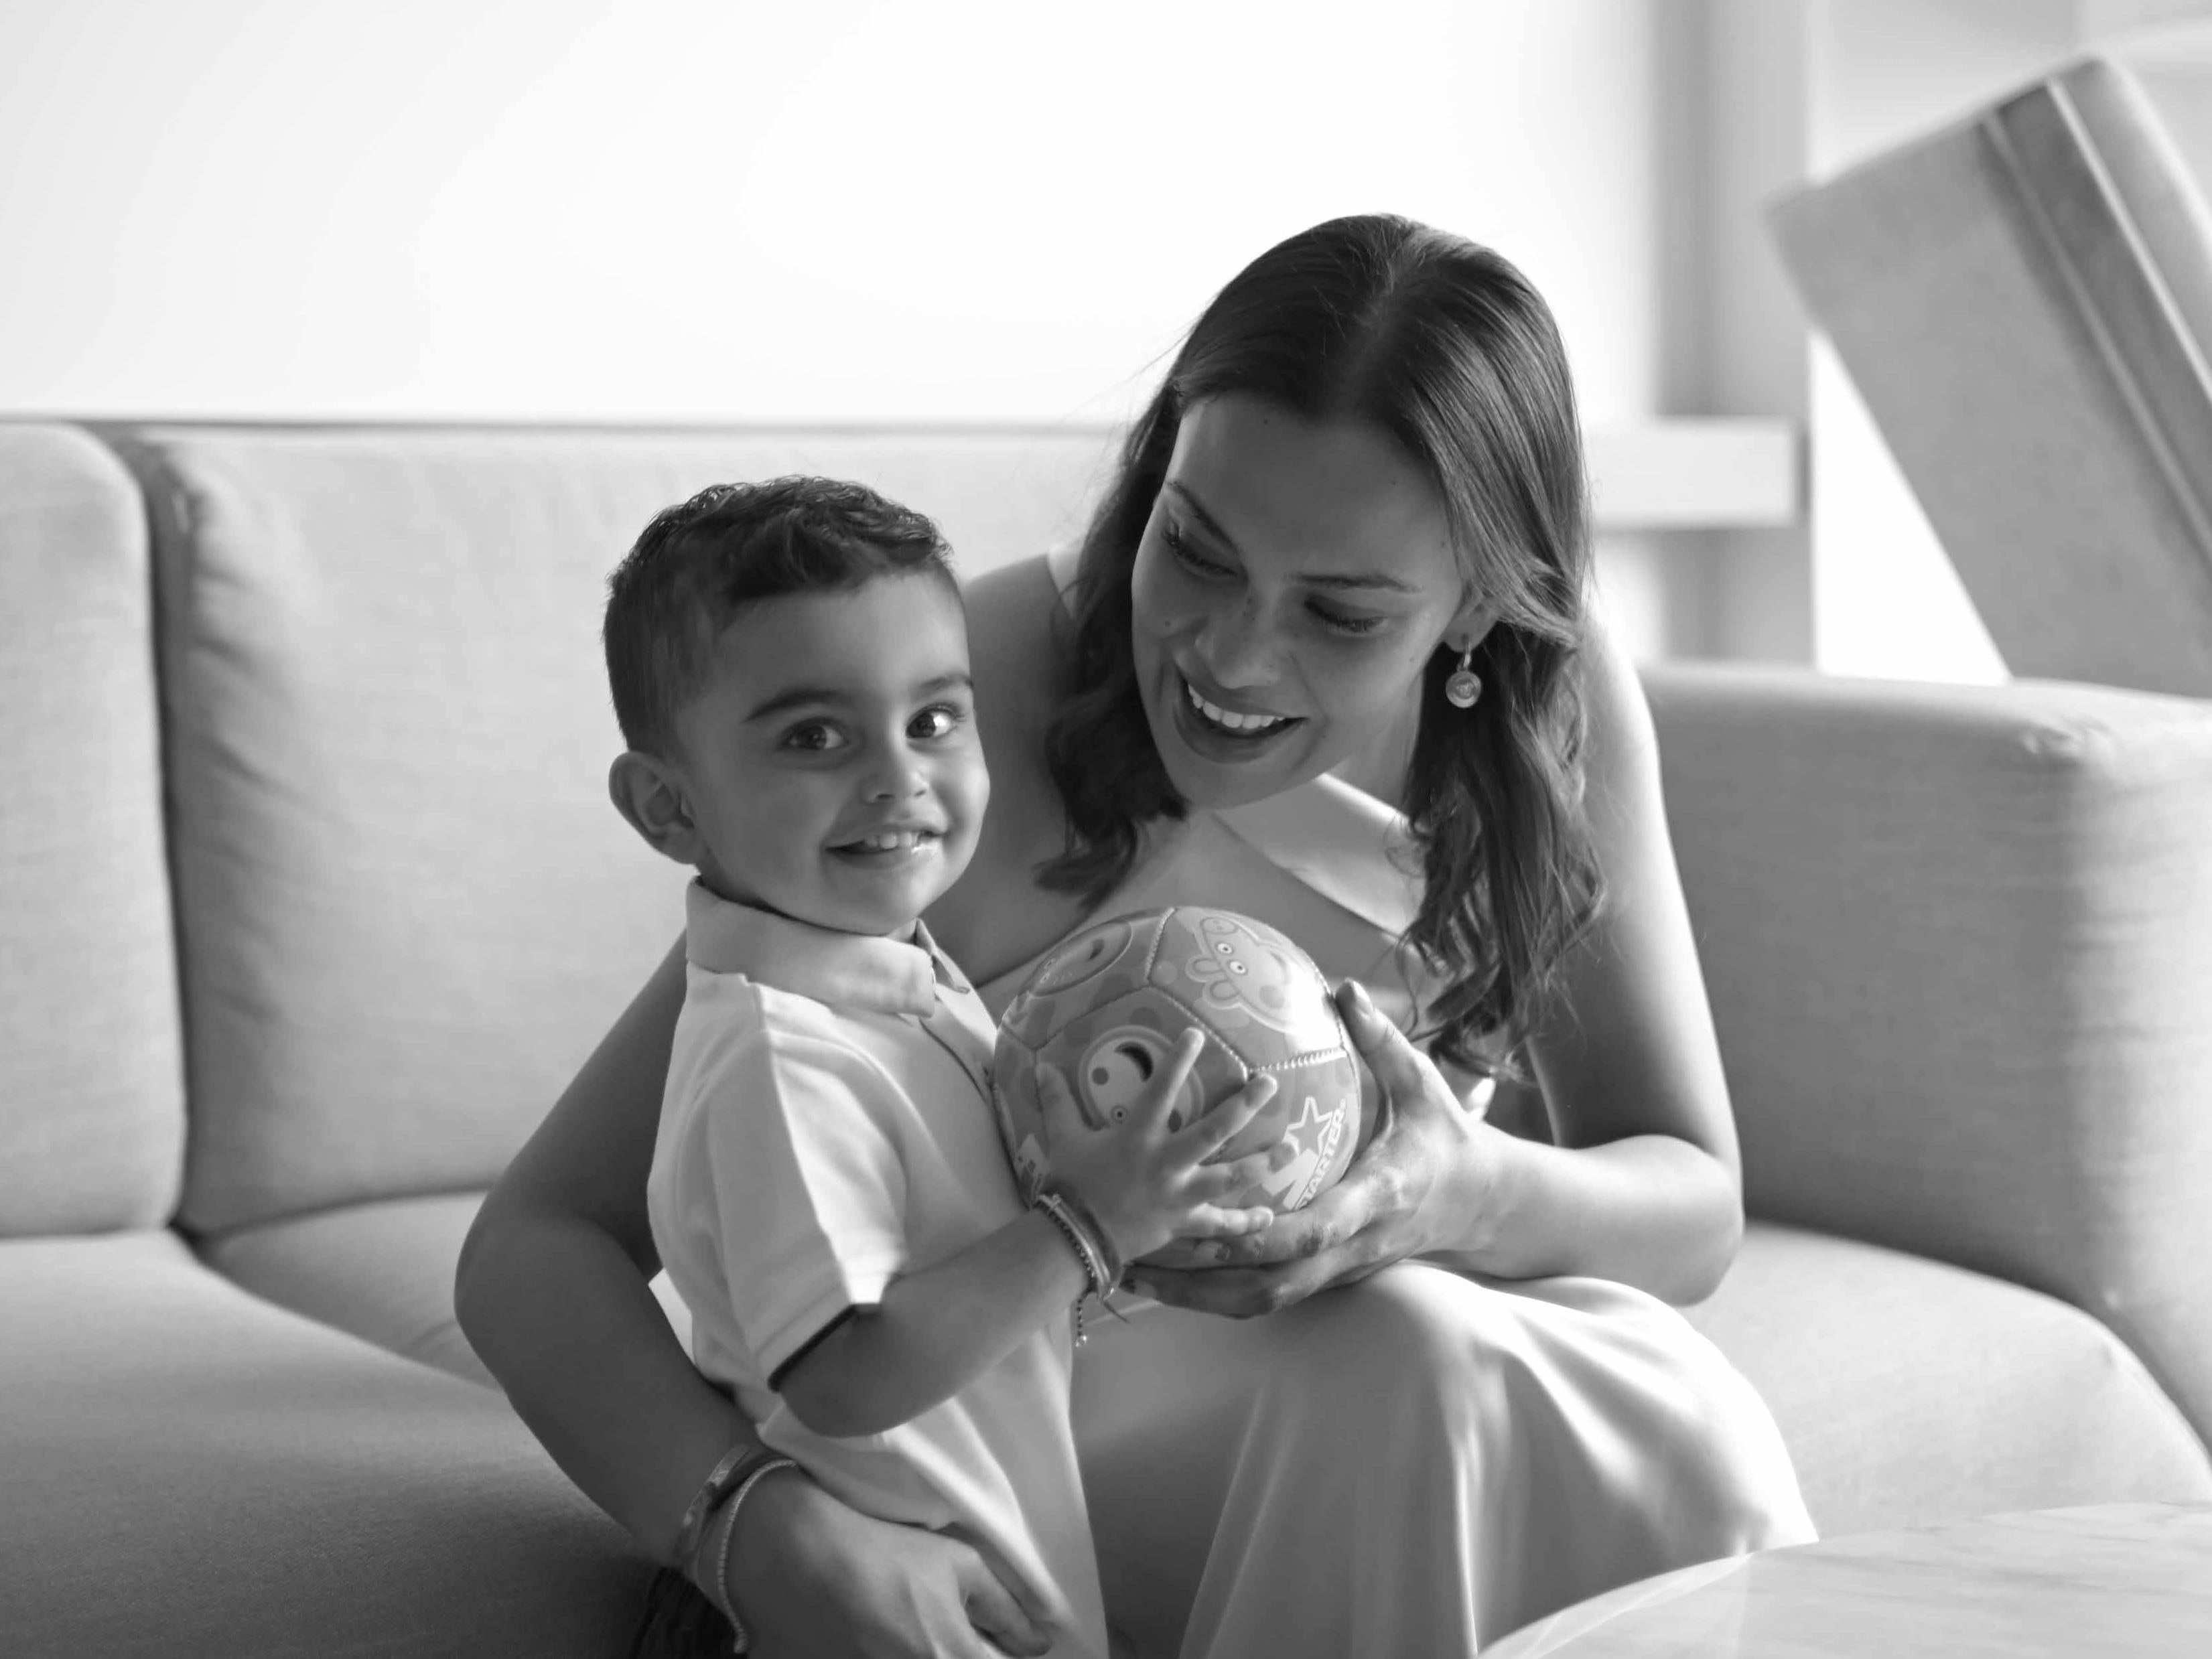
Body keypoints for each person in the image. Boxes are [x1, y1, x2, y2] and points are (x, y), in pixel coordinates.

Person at [457, 212, 1817, 1659]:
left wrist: (1455, 1193)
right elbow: (538, 1245)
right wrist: (756, 1529)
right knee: (1405, 1358)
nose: (1229, 657)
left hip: (1391, 1400)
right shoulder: (956, 706)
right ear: (1157, 466)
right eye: (1197, 549)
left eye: (1342, 616)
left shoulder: (1558, 716)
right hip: (1015, 1436)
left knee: (1652, 1406)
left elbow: (1688, 1208)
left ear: (1478, 604)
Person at [600, 478, 1282, 1657]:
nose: (895, 777)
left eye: (933, 721)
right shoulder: (779, 1055)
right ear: (668, 807)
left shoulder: (897, 984)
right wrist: (1085, 1229)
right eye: (815, 736)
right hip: (855, 1617)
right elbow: (843, 1377)